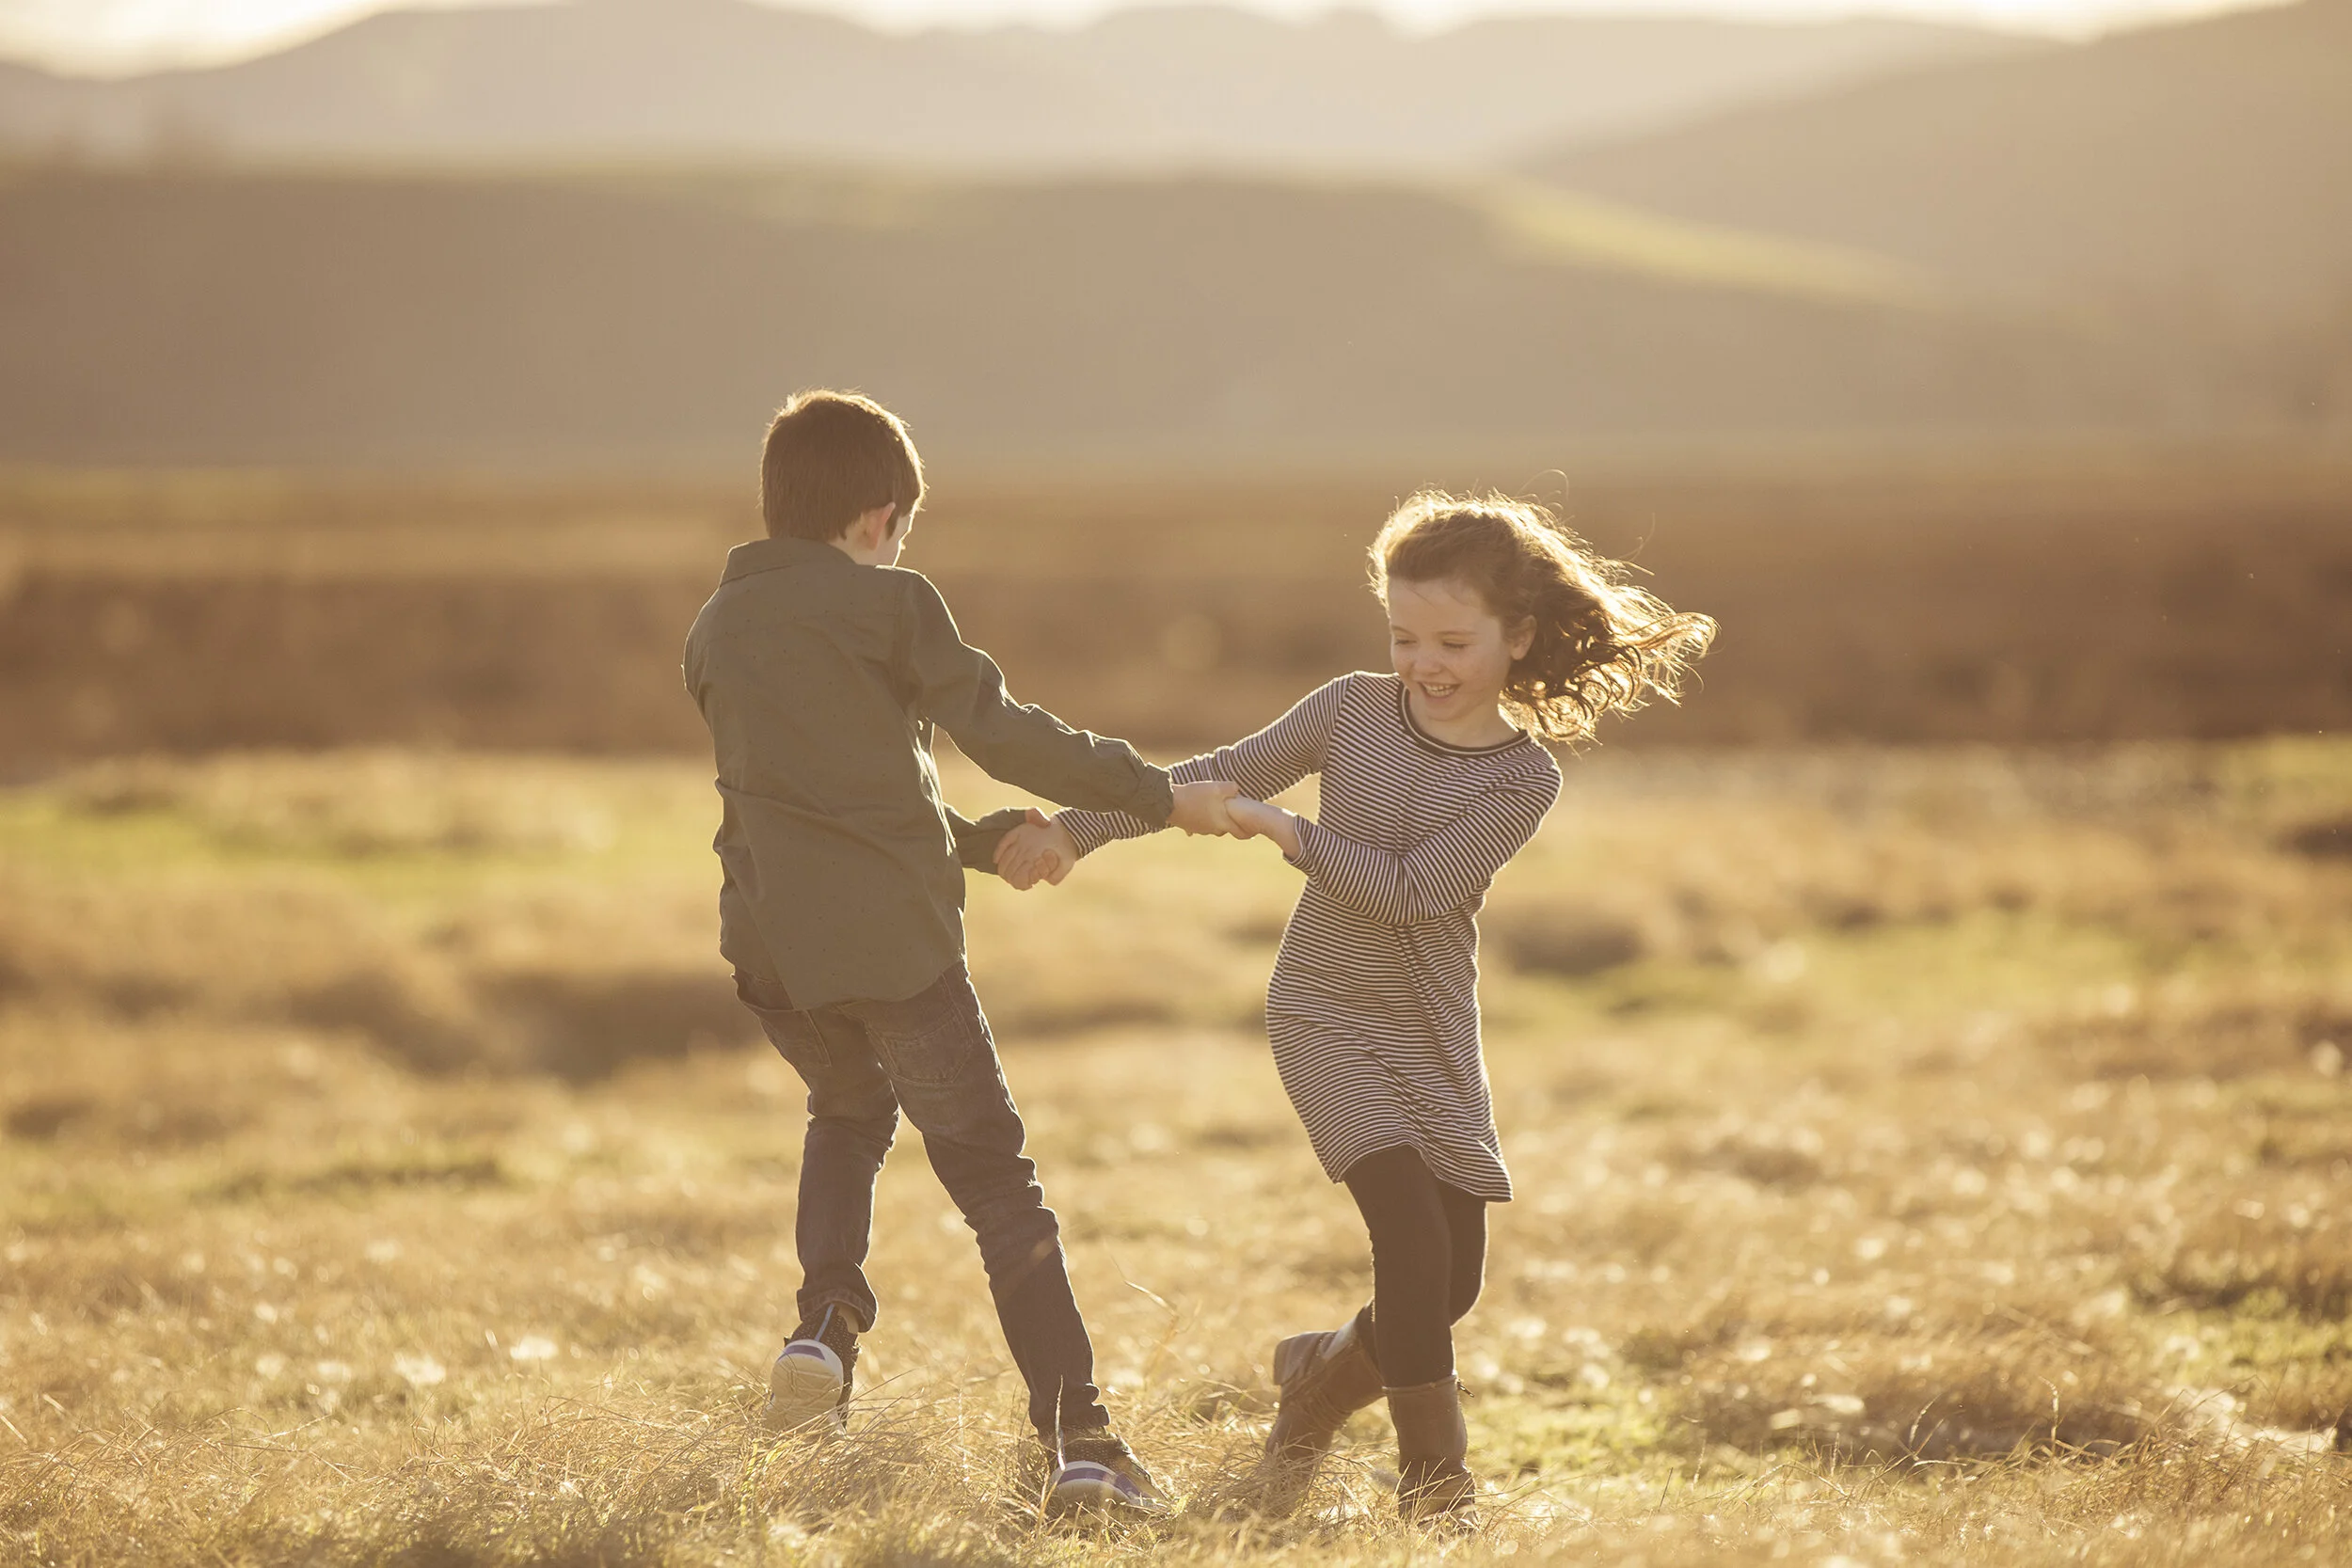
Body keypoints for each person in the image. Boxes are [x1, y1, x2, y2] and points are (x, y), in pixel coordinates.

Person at [996, 491, 1714, 1523]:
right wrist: (1076, 826)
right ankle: (1437, 1489)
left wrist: (1286, 831)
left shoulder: (1522, 778)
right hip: (1323, 1010)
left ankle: (1320, 1377)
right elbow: (1213, 775)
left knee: (1450, 1286)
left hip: (1430, 1031)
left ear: (1517, 636)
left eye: (1452, 642)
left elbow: (1415, 889)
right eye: (1403, 636)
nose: (1423, 663)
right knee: (1411, 1245)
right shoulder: (1349, 710)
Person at [682, 389, 1239, 1516]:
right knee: (997, 1186)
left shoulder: (716, 628)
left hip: (773, 952)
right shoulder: (891, 604)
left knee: (847, 1110)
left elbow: (827, 803)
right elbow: (1001, 729)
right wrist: (1156, 795)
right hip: (895, 951)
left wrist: (986, 843)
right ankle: (1083, 1443)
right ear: (879, 518)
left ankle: (824, 1326)